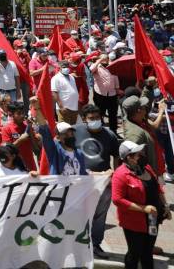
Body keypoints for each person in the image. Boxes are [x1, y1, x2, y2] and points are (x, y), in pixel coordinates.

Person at [112, 140, 170, 269]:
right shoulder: (120, 174)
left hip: (153, 219)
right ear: (129, 157)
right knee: (135, 253)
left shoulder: (147, 168)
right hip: (134, 222)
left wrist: (165, 207)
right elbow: (117, 199)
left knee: (148, 251)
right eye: (138, 154)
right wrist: (144, 209)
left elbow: (158, 188)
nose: (142, 155)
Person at [74, 104, 119, 259]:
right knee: (80, 214)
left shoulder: (109, 134)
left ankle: (95, 245)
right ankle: (77, 244)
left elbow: (117, 156)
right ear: (85, 120)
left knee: (99, 215)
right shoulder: (75, 131)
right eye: (91, 119)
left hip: (104, 182)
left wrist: (115, 176)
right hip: (81, 183)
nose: (95, 121)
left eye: (97, 118)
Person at [31, 98, 88, 176]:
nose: (69, 136)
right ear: (58, 137)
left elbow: (84, 175)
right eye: (65, 134)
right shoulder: (54, 152)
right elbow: (45, 130)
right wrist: (37, 108)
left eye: (71, 133)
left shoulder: (79, 154)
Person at [121, 95, 161, 176]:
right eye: (143, 107)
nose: (146, 108)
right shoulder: (134, 135)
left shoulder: (137, 120)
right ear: (138, 111)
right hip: (148, 174)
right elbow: (133, 161)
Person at [0, 102, 39, 172]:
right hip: (15, 168)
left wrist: (31, 132)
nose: (22, 115)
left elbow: (36, 150)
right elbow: (6, 151)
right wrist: (20, 140)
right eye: (19, 113)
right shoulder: (6, 129)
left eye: (23, 113)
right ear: (11, 114)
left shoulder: (27, 126)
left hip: (30, 167)